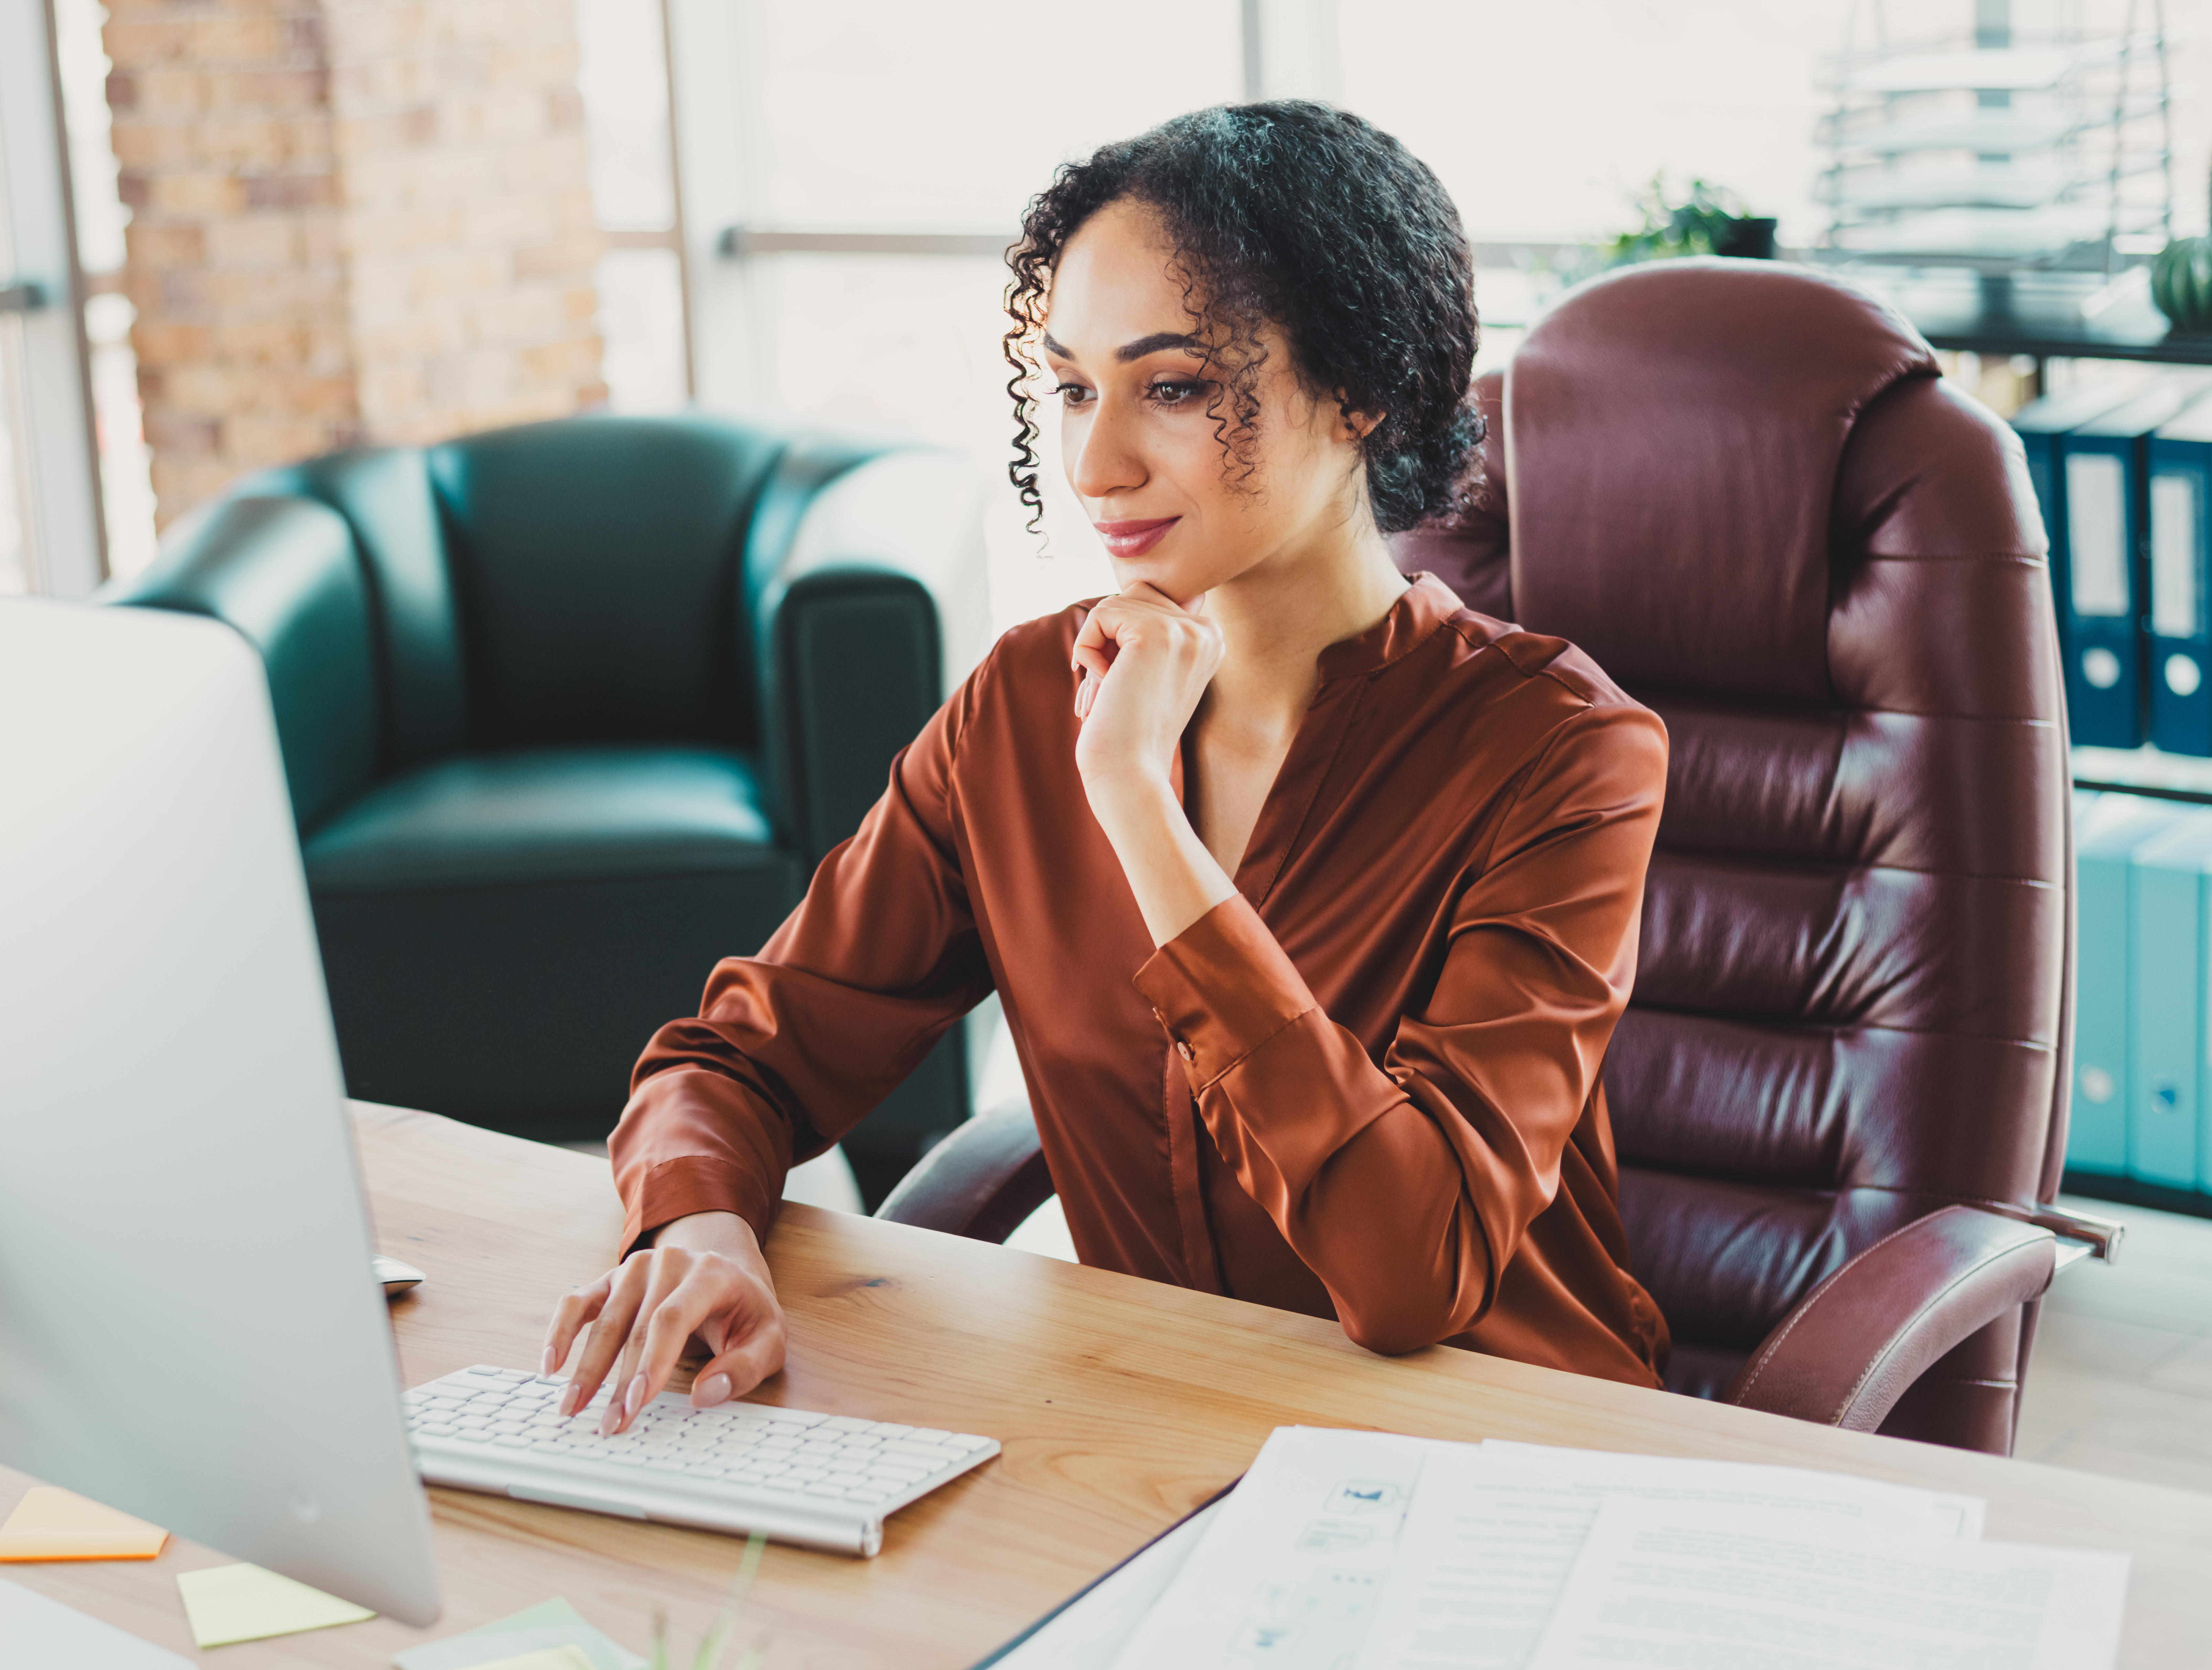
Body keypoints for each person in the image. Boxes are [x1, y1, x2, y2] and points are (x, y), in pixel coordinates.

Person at [543, 101, 1672, 1434]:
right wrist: (701, 1225)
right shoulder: (1022, 708)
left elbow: (1409, 1270)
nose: (1095, 463)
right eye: (1075, 387)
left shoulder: (1562, 750)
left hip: (1509, 1466)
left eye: (1176, 386)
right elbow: (734, 1058)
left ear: (1362, 386)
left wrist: (1140, 807)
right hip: (1172, 1452)